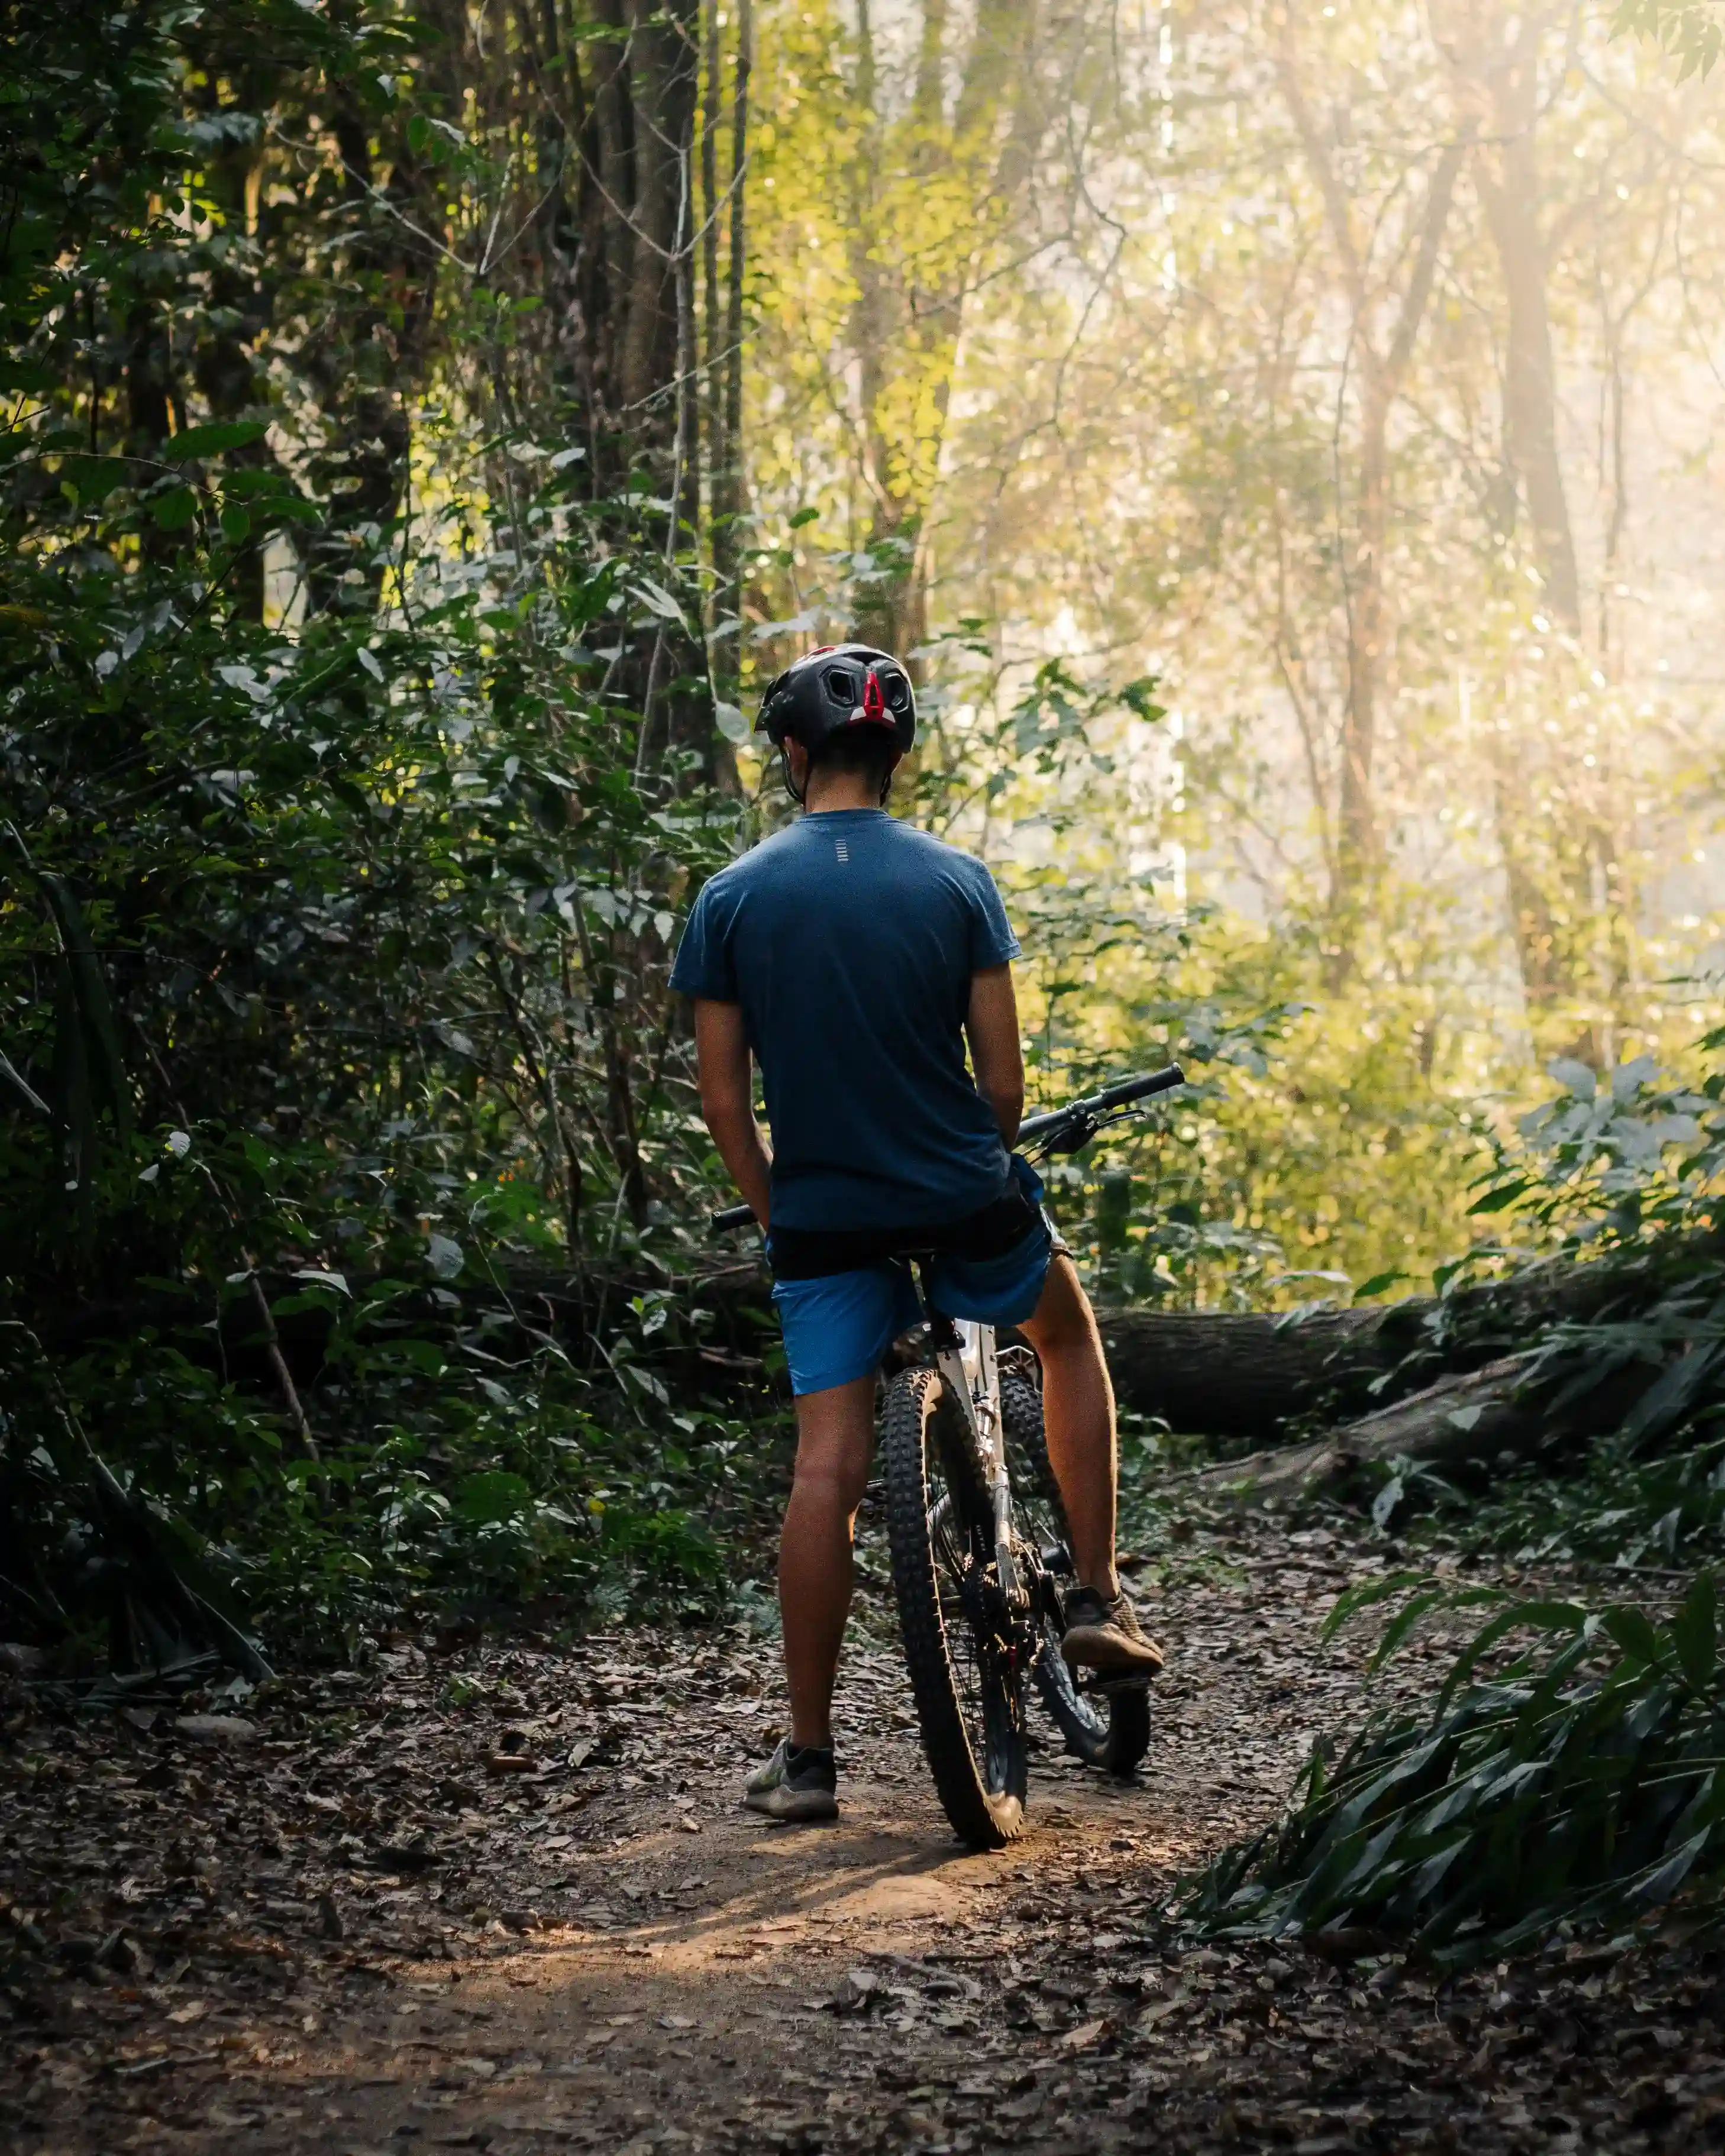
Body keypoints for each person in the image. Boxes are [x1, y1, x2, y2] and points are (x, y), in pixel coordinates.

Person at [669, 643, 1162, 1824]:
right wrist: (973, 1159)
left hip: (827, 1218)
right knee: (1068, 1334)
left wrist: (786, 1204)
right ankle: (1094, 1594)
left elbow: (727, 1103)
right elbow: (1003, 1080)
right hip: (962, 1196)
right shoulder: (956, 884)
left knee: (827, 1467)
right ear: (894, 756)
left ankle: (808, 1759)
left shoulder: (732, 896)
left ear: (795, 756)